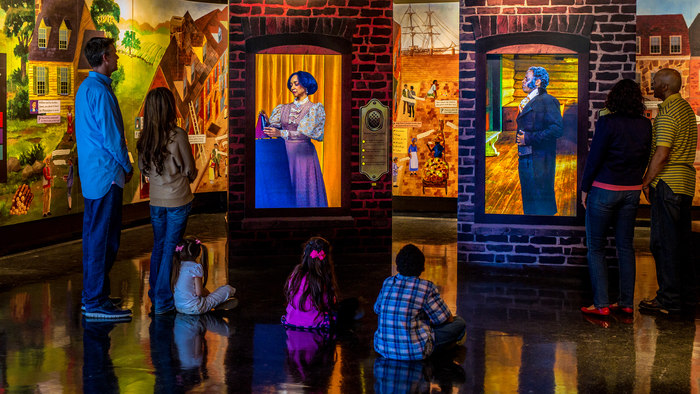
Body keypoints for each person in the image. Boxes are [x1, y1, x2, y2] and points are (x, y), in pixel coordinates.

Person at [579, 79, 652, 316]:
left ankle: (601, 305)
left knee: (597, 248)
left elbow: (595, 157)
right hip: (631, 190)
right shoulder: (645, 124)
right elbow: (645, 157)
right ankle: (626, 303)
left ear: (614, 100)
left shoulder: (607, 122)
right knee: (625, 248)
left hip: (604, 189)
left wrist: (585, 187)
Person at [75, 37, 132, 319]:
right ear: (105, 57)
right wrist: (128, 166)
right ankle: (96, 301)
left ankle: (92, 296)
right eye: (115, 54)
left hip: (93, 176)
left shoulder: (86, 88)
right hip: (107, 176)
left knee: (94, 237)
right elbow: (112, 139)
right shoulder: (101, 92)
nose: (118, 58)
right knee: (105, 240)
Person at [639, 68, 698, 316]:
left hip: (668, 183)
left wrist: (646, 180)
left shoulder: (667, 114)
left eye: (654, 82)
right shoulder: (685, 110)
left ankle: (668, 300)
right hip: (685, 183)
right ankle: (684, 296)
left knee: (663, 243)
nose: (650, 85)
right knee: (680, 242)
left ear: (664, 87)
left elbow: (662, 153)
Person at [137, 87, 198, 315]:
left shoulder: (145, 139)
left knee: (159, 247)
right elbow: (190, 170)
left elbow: (143, 168)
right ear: (170, 108)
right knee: (170, 248)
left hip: (156, 202)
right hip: (178, 201)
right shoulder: (178, 135)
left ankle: (155, 293)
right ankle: (163, 300)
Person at [374, 244, 466, 360]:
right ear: (422, 268)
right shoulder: (426, 287)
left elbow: (377, 309)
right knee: (459, 323)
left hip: (383, 348)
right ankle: (446, 346)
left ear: (397, 266)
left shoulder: (387, 282)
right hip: (416, 351)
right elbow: (447, 319)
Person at [264, 71, 328, 208]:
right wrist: (267, 121)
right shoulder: (283, 108)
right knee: (286, 188)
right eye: (291, 84)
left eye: (296, 83)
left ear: (306, 86)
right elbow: (275, 129)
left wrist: (282, 133)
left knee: (303, 188)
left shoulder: (314, 109)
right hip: (284, 154)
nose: (293, 87)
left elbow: (304, 133)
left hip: (303, 156)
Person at [282, 237, 360, 331]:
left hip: (291, 320)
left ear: (305, 255)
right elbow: (328, 304)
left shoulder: (296, 274)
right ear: (326, 259)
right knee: (352, 304)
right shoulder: (320, 280)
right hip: (314, 324)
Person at [516, 66, 563, 215]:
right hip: (526, 157)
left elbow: (557, 129)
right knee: (530, 200)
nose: (523, 81)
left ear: (537, 82)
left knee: (541, 201)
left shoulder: (548, 101)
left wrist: (528, 138)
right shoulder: (528, 101)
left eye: (526, 78)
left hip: (540, 160)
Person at [172, 237, 236, 315]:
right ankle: (216, 305)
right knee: (228, 289)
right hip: (195, 308)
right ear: (198, 253)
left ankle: (213, 304)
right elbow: (199, 293)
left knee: (203, 292)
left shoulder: (178, 266)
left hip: (179, 307)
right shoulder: (195, 267)